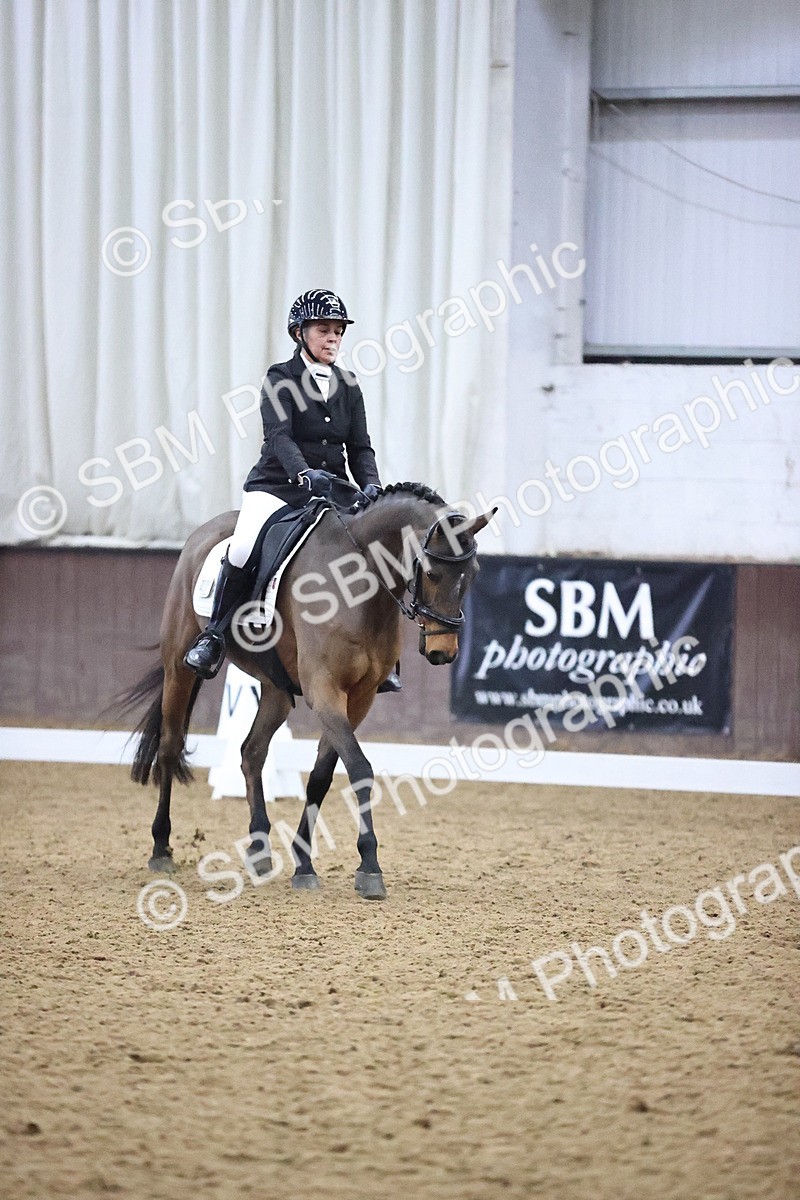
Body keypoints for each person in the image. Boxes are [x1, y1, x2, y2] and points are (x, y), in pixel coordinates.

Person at [183, 288, 402, 692]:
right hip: (277, 487)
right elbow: (279, 437)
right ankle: (213, 635)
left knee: (372, 546)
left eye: (338, 331)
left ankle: (382, 655)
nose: (333, 338)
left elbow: (359, 446)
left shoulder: (349, 385)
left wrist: (370, 485)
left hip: (333, 490)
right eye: (324, 330)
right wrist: (304, 474)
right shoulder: (280, 378)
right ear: (300, 333)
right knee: (244, 546)